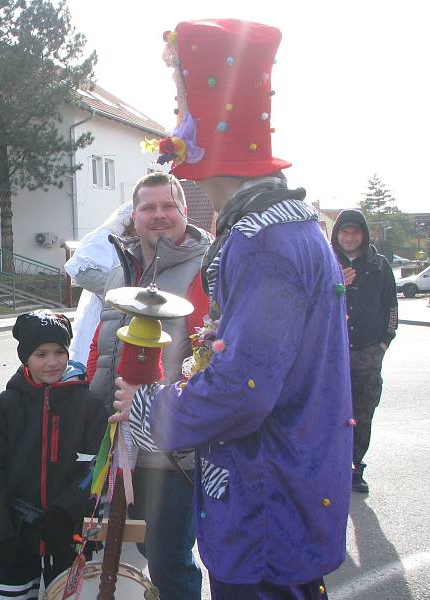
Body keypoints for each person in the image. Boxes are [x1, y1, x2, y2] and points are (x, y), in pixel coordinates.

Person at [111, 20, 352, 598]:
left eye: (180, 104)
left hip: (266, 507)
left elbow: (244, 388)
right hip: (272, 492)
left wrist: (149, 408)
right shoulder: (270, 228)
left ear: (213, 118)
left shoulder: (265, 242)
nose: (172, 123)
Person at [87, 171, 210, 599]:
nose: (158, 215)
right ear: (134, 215)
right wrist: (87, 396)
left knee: (169, 560)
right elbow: (100, 343)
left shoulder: (207, 270)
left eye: (167, 206)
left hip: (171, 449)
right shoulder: (120, 269)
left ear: (184, 211)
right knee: (126, 546)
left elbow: (211, 361)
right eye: (148, 207)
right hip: (117, 439)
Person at [0, 311, 107, 600]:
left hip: (68, 536)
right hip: (17, 537)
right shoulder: (6, 406)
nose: (52, 361)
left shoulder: (89, 406)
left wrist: (67, 511)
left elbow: (97, 466)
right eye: (41, 353)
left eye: (59, 352)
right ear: (24, 357)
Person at [331, 209, 398, 494]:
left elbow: (392, 308)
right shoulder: (328, 262)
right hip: (333, 354)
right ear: (337, 235)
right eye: (344, 231)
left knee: (362, 414)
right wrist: (335, 286)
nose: (349, 237)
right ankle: (331, 465)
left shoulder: (379, 265)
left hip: (368, 353)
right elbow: (310, 302)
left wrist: (384, 342)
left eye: (354, 232)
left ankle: (356, 467)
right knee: (331, 413)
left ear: (364, 235)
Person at [63, 201, 134, 364]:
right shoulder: (106, 238)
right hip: (103, 314)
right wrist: (124, 291)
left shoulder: (144, 241)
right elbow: (84, 274)